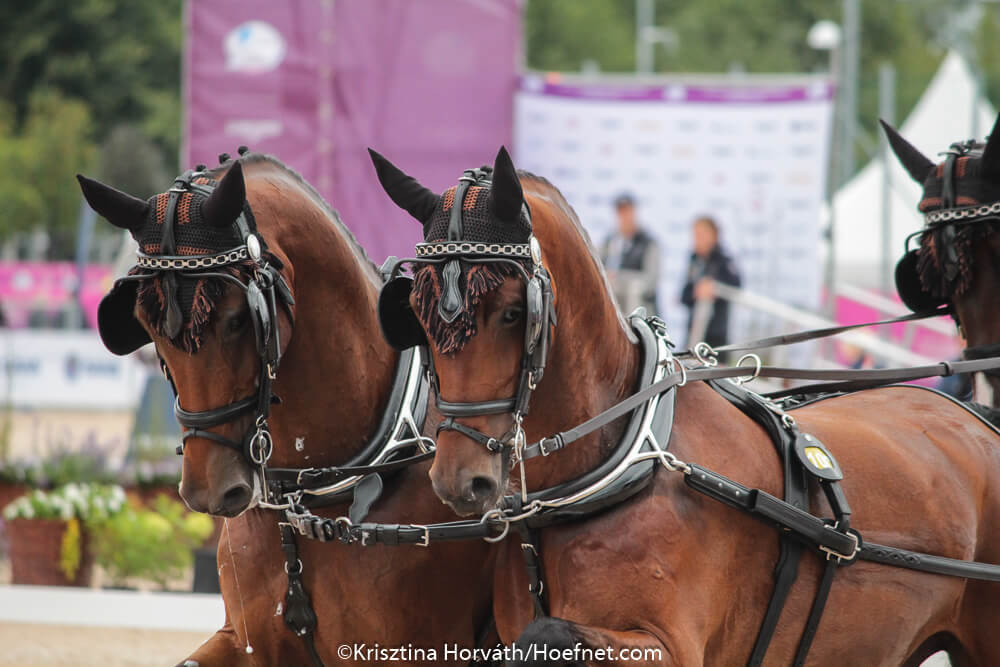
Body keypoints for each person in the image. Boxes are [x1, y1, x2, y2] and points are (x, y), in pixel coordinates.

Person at [680, 215, 740, 349]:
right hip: (694, 333)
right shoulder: (694, 260)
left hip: (716, 336)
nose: (696, 239)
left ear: (714, 235)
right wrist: (697, 291)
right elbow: (684, 295)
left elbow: (736, 286)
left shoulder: (724, 260)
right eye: (695, 235)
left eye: (701, 235)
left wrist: (714, 287)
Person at [600, 193, 659, 315]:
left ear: (634, 212)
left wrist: (619, 278)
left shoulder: (648, 243)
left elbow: (651, 281)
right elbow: (598, 268)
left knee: (634, 290)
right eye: (621, 212)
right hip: (613, 306)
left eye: (627, 211)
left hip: (639, 309)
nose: (624, 217)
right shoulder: (609, 241)